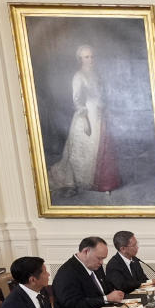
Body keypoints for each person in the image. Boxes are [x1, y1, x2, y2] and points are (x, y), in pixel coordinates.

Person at [48, 44, 121, 196]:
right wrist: (86, 121)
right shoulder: (78, 76)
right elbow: (77, 100)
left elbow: (101, 94)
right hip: (87, 116)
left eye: (92, 56)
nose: (91, 59)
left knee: (104, 148)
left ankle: (105, 182)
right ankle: (86, 181)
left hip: (99, 115)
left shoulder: (95, 73)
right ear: (80, 59)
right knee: (84, 152)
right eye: (87, 57)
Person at [52, 236, 125, 308]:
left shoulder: (95, 266)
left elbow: (105, 290)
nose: (101, 262)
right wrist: (106, 299)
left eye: (103, 259)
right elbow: (73, 306)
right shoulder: (66, 273)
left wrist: (115, 294)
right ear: (86, 251)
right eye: (99, 258)